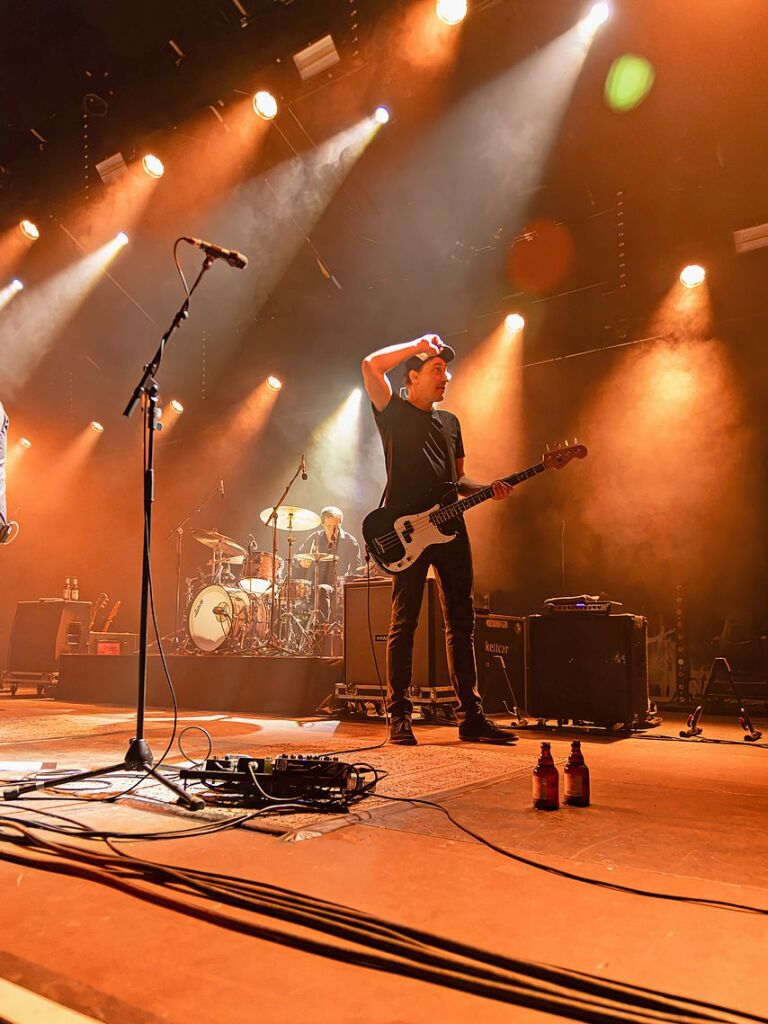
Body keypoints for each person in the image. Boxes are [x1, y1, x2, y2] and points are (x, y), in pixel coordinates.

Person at [361, 334, 515, 745]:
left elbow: (458, 478)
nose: (444, 376)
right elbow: (370, 364)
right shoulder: (391, 412)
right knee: (404, 621)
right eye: (435, 369)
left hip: (451, 528)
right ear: (411, 378)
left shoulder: (450, 423)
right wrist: (418, 341)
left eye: (445, 370)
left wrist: (489, 487)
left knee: (461, 623)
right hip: (405, 532)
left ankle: (472, 716)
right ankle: (398, 716)